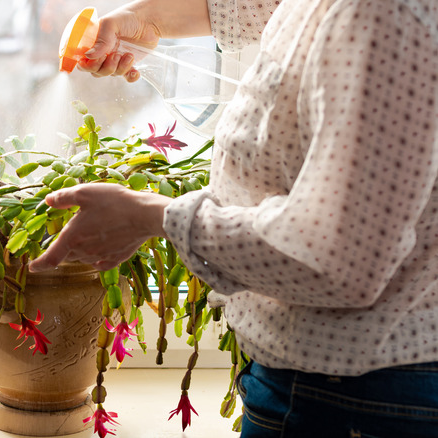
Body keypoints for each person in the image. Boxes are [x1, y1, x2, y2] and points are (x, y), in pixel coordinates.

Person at [29, 0, 438, 436]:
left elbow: (338, 258)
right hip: (327, 386)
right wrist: (147, 20)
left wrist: (152, 215)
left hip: (356, 400)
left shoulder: (382, 16)